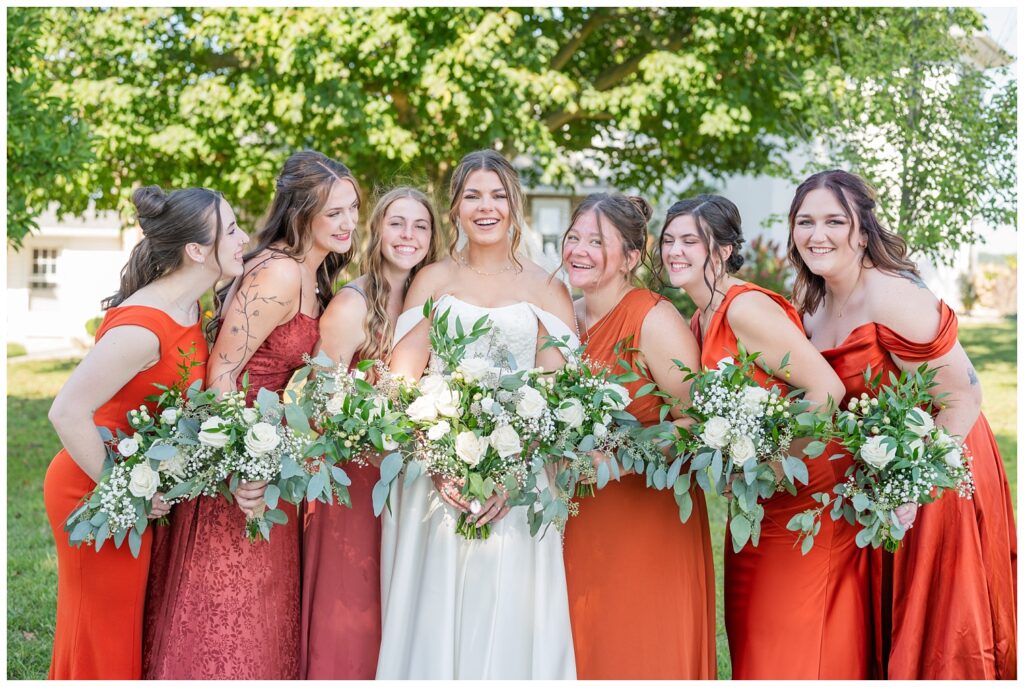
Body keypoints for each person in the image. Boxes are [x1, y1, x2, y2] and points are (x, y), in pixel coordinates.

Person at [789, 169, 1017, 680]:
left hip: (937, 471)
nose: (816, 234)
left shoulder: (892, 295)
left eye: (833, 221)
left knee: (935, 632)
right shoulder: (815, 305)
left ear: (862, 231)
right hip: (876, 479)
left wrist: (912, 485)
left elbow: (965, 395)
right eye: (805, 222)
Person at [142, 151, 360, 679]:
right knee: (226, 617)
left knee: (261, 617)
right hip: (235, 472)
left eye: (354, 208)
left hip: (271, 458)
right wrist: (246, 465)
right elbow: (222, 375)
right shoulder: (280, 273)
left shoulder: (314, 272)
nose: (349, 222)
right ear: (301, 213)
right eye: (334, 212)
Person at [376, 149, 578, 679]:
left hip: (520, 478)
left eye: (497, 195)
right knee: (436, 613)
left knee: (510, 615)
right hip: (436, 478)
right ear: (455, 208)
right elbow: (401, 384)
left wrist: (513, 476)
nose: (485, 207)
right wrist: (438, 462)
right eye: (472, 196)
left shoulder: (548, 288)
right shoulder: (433, 281)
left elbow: (556, 397)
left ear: (515, 204)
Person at [661, 193, 874, 678]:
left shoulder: (744, 309)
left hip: (803, 497)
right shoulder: (700, 316)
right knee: (752, 639)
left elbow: (827, 389)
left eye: (690, 240)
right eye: (669, 240)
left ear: (721, 250)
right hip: (755, 503)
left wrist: (774, 463)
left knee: (788, 644)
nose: (674, 250)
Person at [44, 185, 247, 679]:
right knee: (102, 631)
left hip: (130, 484)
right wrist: (123, 488)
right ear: (197, 250)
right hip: (92, 489)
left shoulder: (189, 309)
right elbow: (67, 411)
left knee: (110, 629)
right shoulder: (143, 327)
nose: (245, 238)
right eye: (234, 229)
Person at [559, 193, 716, 678]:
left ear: (631, 257)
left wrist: (621, 460)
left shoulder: (653, 318)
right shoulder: (562, 315)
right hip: (577, 517)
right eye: (574, 238)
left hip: (645, 519)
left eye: (596, 242)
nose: (579, 250)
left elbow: (700, 423)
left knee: (638, 650)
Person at [301, 186, 441, 679]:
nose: (408, 235)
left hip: (419, 473)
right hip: (356, 477)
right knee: (354, 606)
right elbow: (317, 399)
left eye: (420, 225)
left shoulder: (436, 299)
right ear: (377, 230)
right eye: (397, 223)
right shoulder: (352, 303)